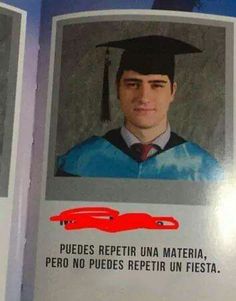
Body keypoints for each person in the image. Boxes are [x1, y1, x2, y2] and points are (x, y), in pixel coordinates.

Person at [56, 35, 223, 180]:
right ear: (117, 89)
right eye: (132, 84)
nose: (143, 97)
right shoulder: (80, 162)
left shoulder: (202, 169)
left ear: (172, 91)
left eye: (156, 85)